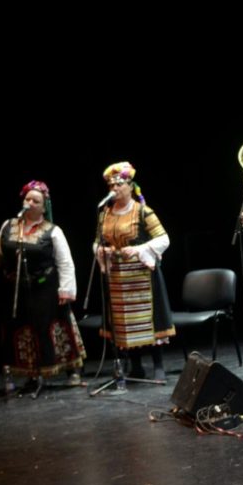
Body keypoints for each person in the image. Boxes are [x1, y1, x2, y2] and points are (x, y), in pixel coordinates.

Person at [0, 180, 86, 393]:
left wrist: (67, 289)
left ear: (44, 206)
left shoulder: (52, 231)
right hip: (17, 289)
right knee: (21, 329)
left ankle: (71, 370)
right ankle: (30, 374)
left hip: (46, 288)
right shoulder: (9, 226)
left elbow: (65, 262)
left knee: (51, 328)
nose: (30, 203)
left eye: (36, 200)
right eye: (27, 199)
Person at [94, 162, 174, 380]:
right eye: (111, 185)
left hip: (142, 275)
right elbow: (96, 243)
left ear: (130, 186)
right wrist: (104, 251)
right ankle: (135, 364)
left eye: (119, 185)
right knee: (124, 322)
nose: (115, 189)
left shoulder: (142, 212)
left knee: (148, 319)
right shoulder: (105, 214)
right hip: (117, 276)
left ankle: (158, 365)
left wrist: (139, 249)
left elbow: (163, 239)